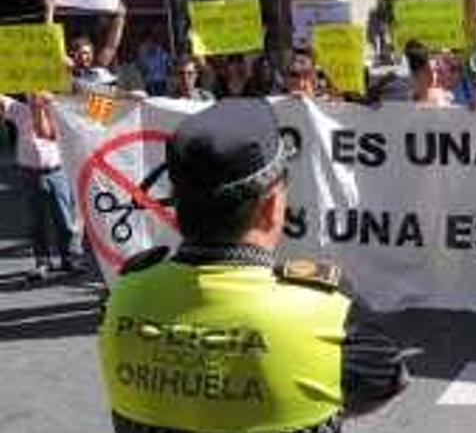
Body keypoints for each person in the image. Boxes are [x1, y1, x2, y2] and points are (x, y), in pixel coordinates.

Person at [98, 100, 409, 433]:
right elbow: (388, 379)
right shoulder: (324, 310)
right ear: (271, 205)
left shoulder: (122, 297)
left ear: (177, 205)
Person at [0, 92, 84, 280]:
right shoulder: (18, 110)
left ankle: (70, 258)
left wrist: (130, 98)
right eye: (30, 93)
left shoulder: (59, 111)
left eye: (39, 91)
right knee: (36, 221)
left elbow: (93, 107)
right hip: (29, 173)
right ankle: (42, 262)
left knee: (65, 220)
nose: (34, 95)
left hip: (57, 172)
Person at [46, 0, 127, 89]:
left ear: (92, 52)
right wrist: (49, 10)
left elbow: (111, 46)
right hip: (76, 102)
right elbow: (52, 42)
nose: (84, 58)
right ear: (72, 54)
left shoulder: (99, 64)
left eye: (86, 53)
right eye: (80, 54)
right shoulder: (69, 67)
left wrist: (120, 17)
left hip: (101, 102)